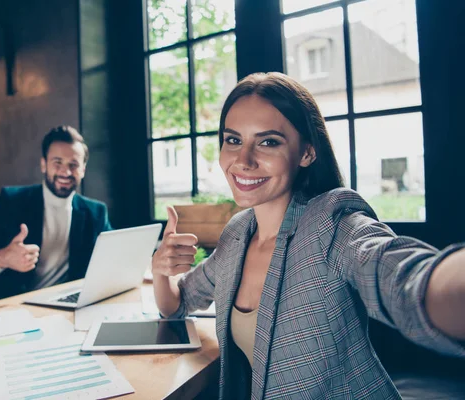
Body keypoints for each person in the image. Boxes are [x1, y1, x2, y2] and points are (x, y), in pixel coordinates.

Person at [152, 72, 465, 399]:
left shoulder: (332, 223)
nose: (242, 161)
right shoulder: (238, 233)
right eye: (233, 140)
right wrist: (162, 270)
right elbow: (177, 303)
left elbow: (404, 279)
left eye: (268, 141)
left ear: (307, 153)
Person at [0, 125, 112, 303]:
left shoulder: (95, 213)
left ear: (83, 169)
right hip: (13, 309)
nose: (65, 172)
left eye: (73, 165)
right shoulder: (12, 202)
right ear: (44, 164)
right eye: (57, 163)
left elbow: (114, 254)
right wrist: (3, 258)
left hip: (66, 308)